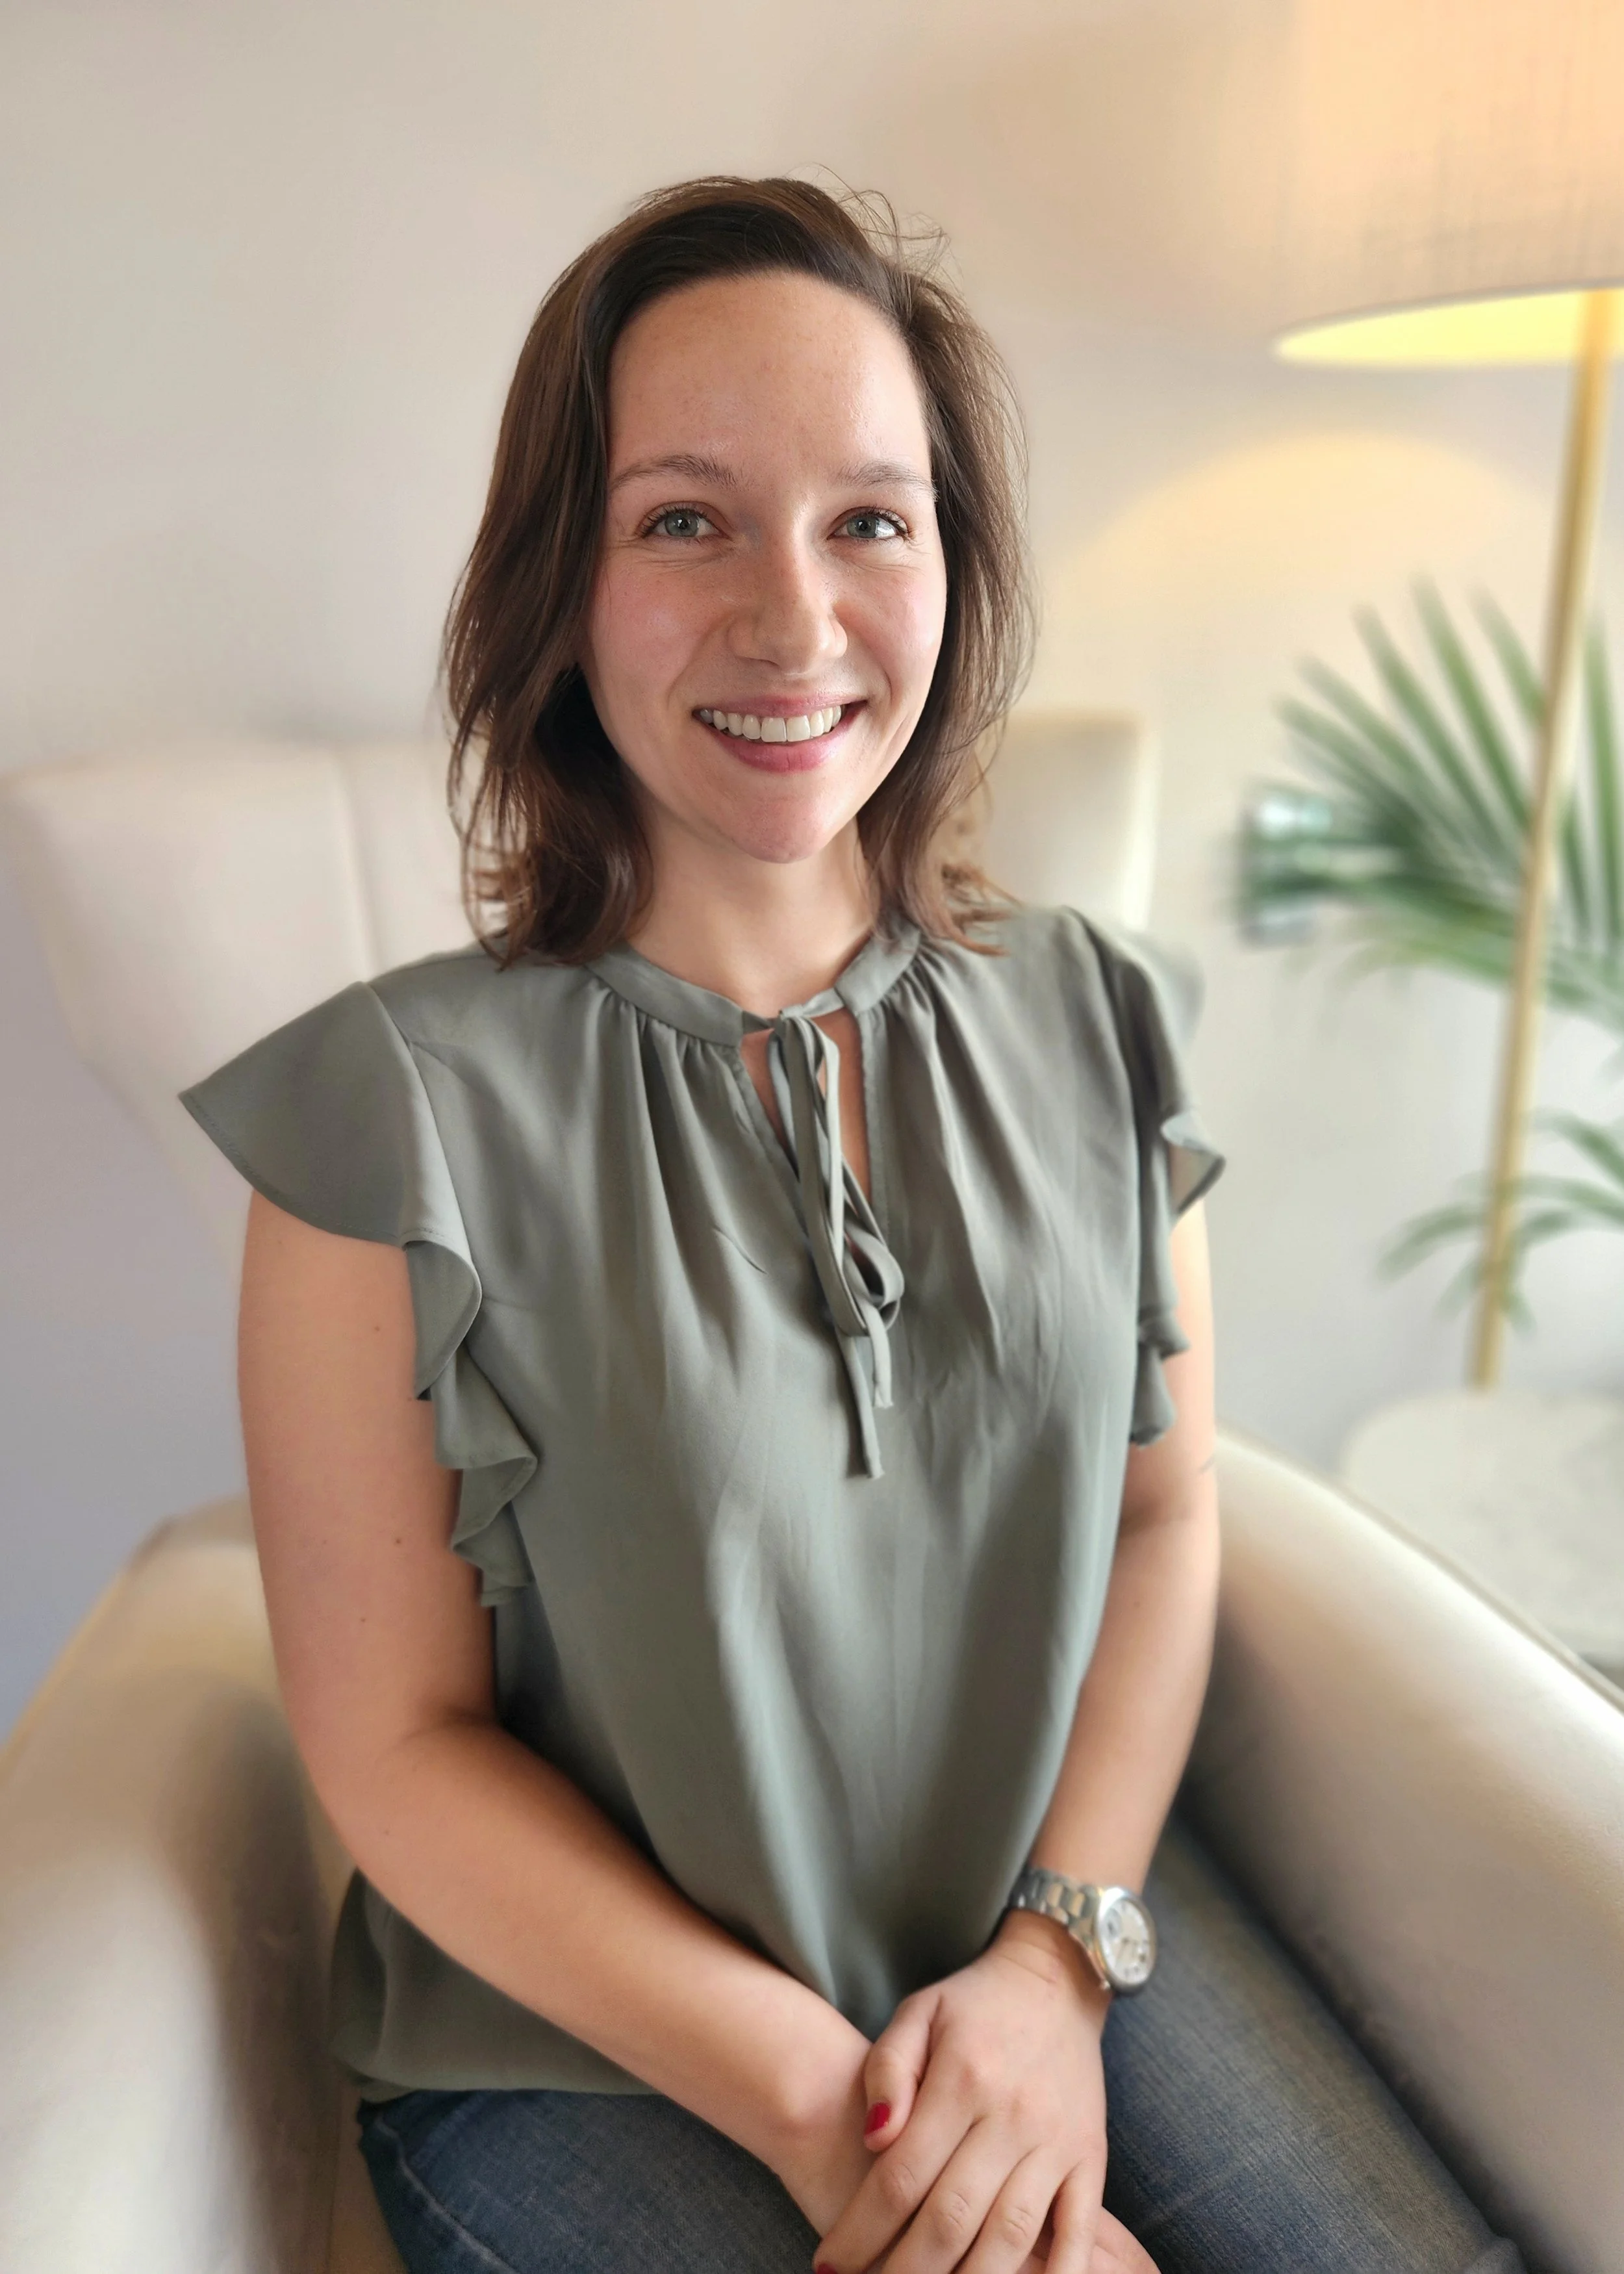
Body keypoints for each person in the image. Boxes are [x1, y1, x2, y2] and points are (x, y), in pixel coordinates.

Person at [181, 176, 1526, 2274]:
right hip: (585, 2043)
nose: (793, 620)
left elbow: (1162, 1525)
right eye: (683, 519)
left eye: (869, 520)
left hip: (1040, 1936)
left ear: (952, 569)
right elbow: (395, 1743)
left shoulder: (1102, 1016)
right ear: (562, 580)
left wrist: (1056, 1964)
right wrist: (858, 2134)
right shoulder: (386, 1120)